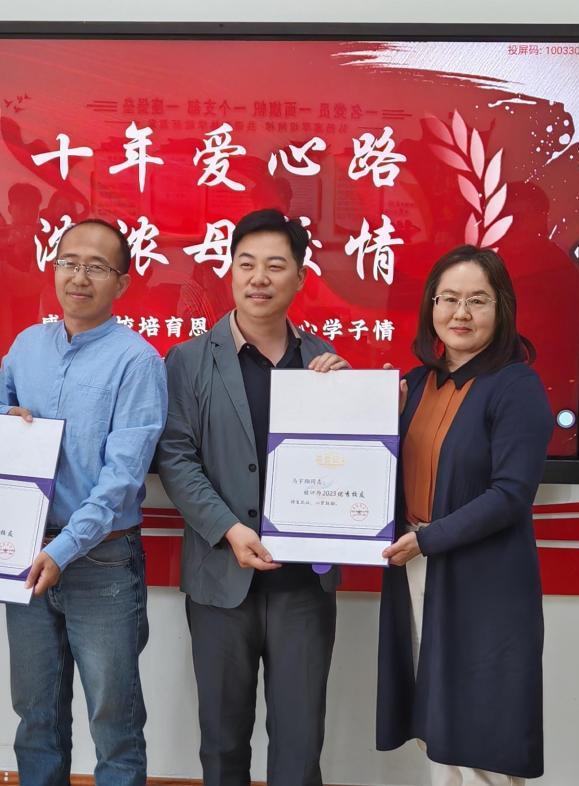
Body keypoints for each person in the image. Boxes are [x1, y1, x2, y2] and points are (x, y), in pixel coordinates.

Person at [157, 208, 348, 786]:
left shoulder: (325, 364)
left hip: (303, 586)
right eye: (247, 264)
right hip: (221, 580)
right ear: (231, 271)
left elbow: (352, 466)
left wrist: (353, 404)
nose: (259, 278)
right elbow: (176, 457)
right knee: (222, 743)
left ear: (300, 277)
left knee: (300, 745)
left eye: (275, 265)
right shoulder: (188, 360)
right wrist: (229, 529)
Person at [0, 218, 167, 786]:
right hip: (25, 550)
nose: (79, 277)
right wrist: (2, 416)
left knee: (115, 725)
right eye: (68, 262)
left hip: (102, 563)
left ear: (122, 283)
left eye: (97, 267)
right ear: (54, 267)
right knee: (36, 719)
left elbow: (121, 481)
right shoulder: (27, 345)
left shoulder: (138, 361)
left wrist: (63, 550)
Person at [377, 245, 554, 785]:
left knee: (481, 728)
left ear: (501, 309)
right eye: (448, 298)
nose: (461, 313)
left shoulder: (517, 386)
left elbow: (511, 494)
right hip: (416, 567)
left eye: (478, 300)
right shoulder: (415, 384)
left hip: (484, 578)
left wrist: (428, 540)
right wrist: (344, 393)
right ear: (431, 307)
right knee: (438, 725)